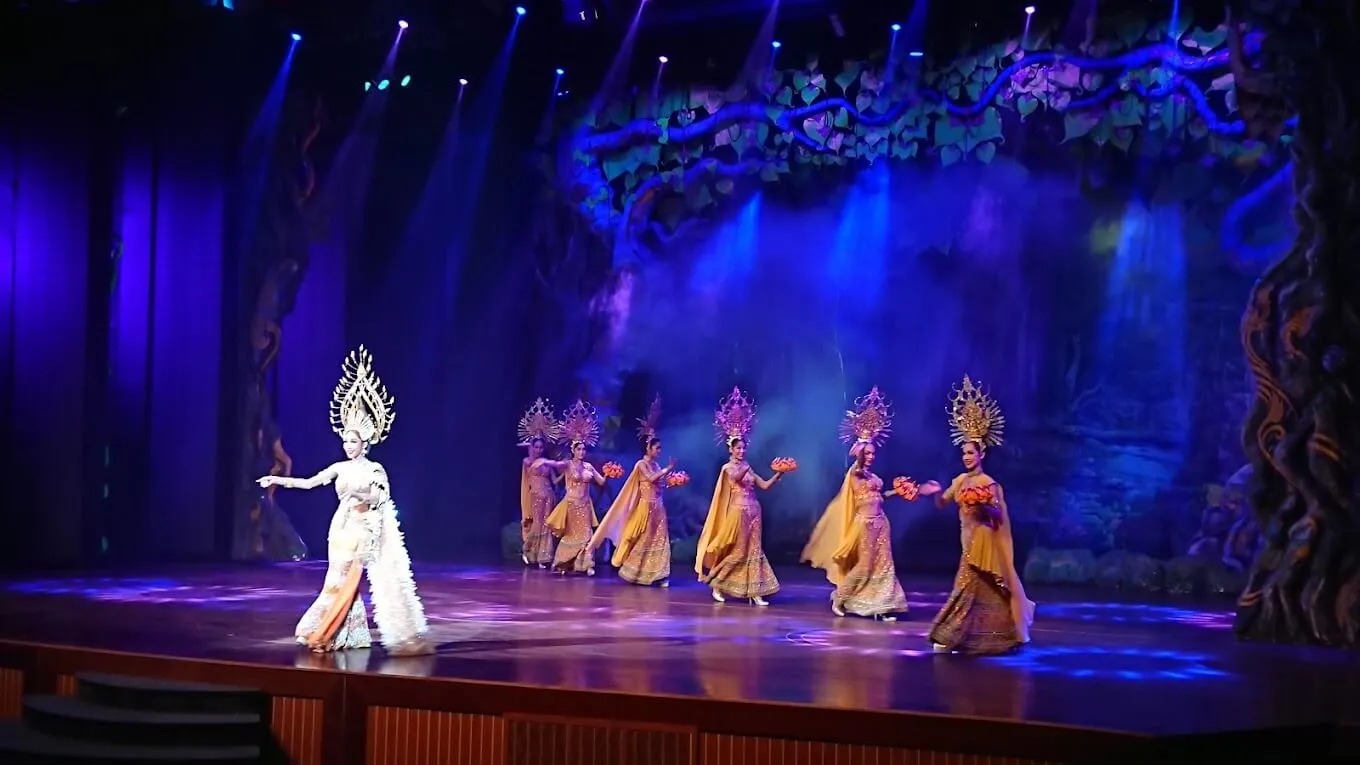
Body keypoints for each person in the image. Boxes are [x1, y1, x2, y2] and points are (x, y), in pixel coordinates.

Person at [258, 346, 432, 656]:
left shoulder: (375, 469)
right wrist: (277, 480)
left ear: (365, 442)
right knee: (334, 579)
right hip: (340, 528)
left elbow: (382, 497)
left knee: (348, 580)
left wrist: (362, 495)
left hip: (363, 531)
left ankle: (329, 631)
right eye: (346, 440)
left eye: (353, 441)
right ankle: (343, 632)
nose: (348, 445)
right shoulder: (339, 467)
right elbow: (309, 482)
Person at [916, 375, 1034, 655]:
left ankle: (948, 636)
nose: (966, 457)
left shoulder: (988, 483)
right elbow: (943, 503)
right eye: (964, 453)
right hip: (966, 539)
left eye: (970, 452)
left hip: (983, 540)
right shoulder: (960, 481)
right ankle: (1000, 636)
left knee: (966, 585)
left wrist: (984, 505)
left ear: (982, 454)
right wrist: (934, 492)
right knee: (985, 590)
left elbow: (997, 515)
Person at [803, 387, 912, 621]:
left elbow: (879, 496)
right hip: (864, 526)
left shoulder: (874, 478)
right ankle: (840, 598)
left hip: (881, 524)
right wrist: (864, 440)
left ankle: (881, 606)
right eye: (868, 453)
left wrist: (900, 491)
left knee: (883, 566)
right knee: (864, 566)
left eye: (873, 453)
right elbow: (859, 463)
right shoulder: (856, 473)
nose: (871, 456)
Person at [696, 387, 790, 606]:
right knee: (739, 552)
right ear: (731, 449)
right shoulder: (728, 468)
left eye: (743, 448)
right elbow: (736, 478)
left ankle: (754, 591)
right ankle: (717, 582)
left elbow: (764, 486)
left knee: (754, 551)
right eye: (738, 448)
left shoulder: (747, 466)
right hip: (738, 513)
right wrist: (744, 467)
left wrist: (779, 473)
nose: (741, 451)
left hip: (754, 511)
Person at [591, 396, 679, 587]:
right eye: (657, 448)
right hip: (645, 509)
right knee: (644, 540)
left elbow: (658, 484)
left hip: (658, 508)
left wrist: (671, 483)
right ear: (648, 448)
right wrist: (668, 469)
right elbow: (650, 479)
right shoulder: (642, 464)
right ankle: (636, 573)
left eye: (660, 448)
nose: (659, 451)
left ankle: (659, 574)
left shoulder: (656, 465)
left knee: (660, 540)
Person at [541, 400, 616, 575]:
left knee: (587, 535)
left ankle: (586, 565)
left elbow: (601, 482)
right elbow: (556, 464)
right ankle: (563, 563)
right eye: (579, 449)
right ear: (573, 451)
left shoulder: (589, 466)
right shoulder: (568, 465)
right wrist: (544, 461)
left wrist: (609, 473)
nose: (582, 452)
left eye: (583, 449)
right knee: (571, 535)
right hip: (571, 505)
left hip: (585, 506)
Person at [517, 398, 561, 567]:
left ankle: (542, 558)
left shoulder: (547, 464)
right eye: (536, 447)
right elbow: (528, 456)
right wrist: (533, 439)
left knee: (546, 526)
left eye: (541, 447)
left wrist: (564, 475)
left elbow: (555, 480)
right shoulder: (528, 462)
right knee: (537, 525)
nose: (539, 450)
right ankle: (526, 550)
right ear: (532, 447)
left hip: (549, 496)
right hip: (535, 496)